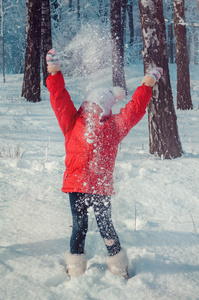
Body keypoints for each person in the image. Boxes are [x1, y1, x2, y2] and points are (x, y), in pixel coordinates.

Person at [46, 48, 163, 279]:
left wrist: (146, 85)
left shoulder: (113, 127)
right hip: (77, 185)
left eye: (97, 105)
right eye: (90, 104)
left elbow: (134, 110)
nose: (92, 108)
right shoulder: (72, 122)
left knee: (105, 226)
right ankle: (76, 268)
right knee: (79, 227)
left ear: (105, 108)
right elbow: (59, 98)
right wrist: (54, 72)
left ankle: (119, 267)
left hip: (100, 187)